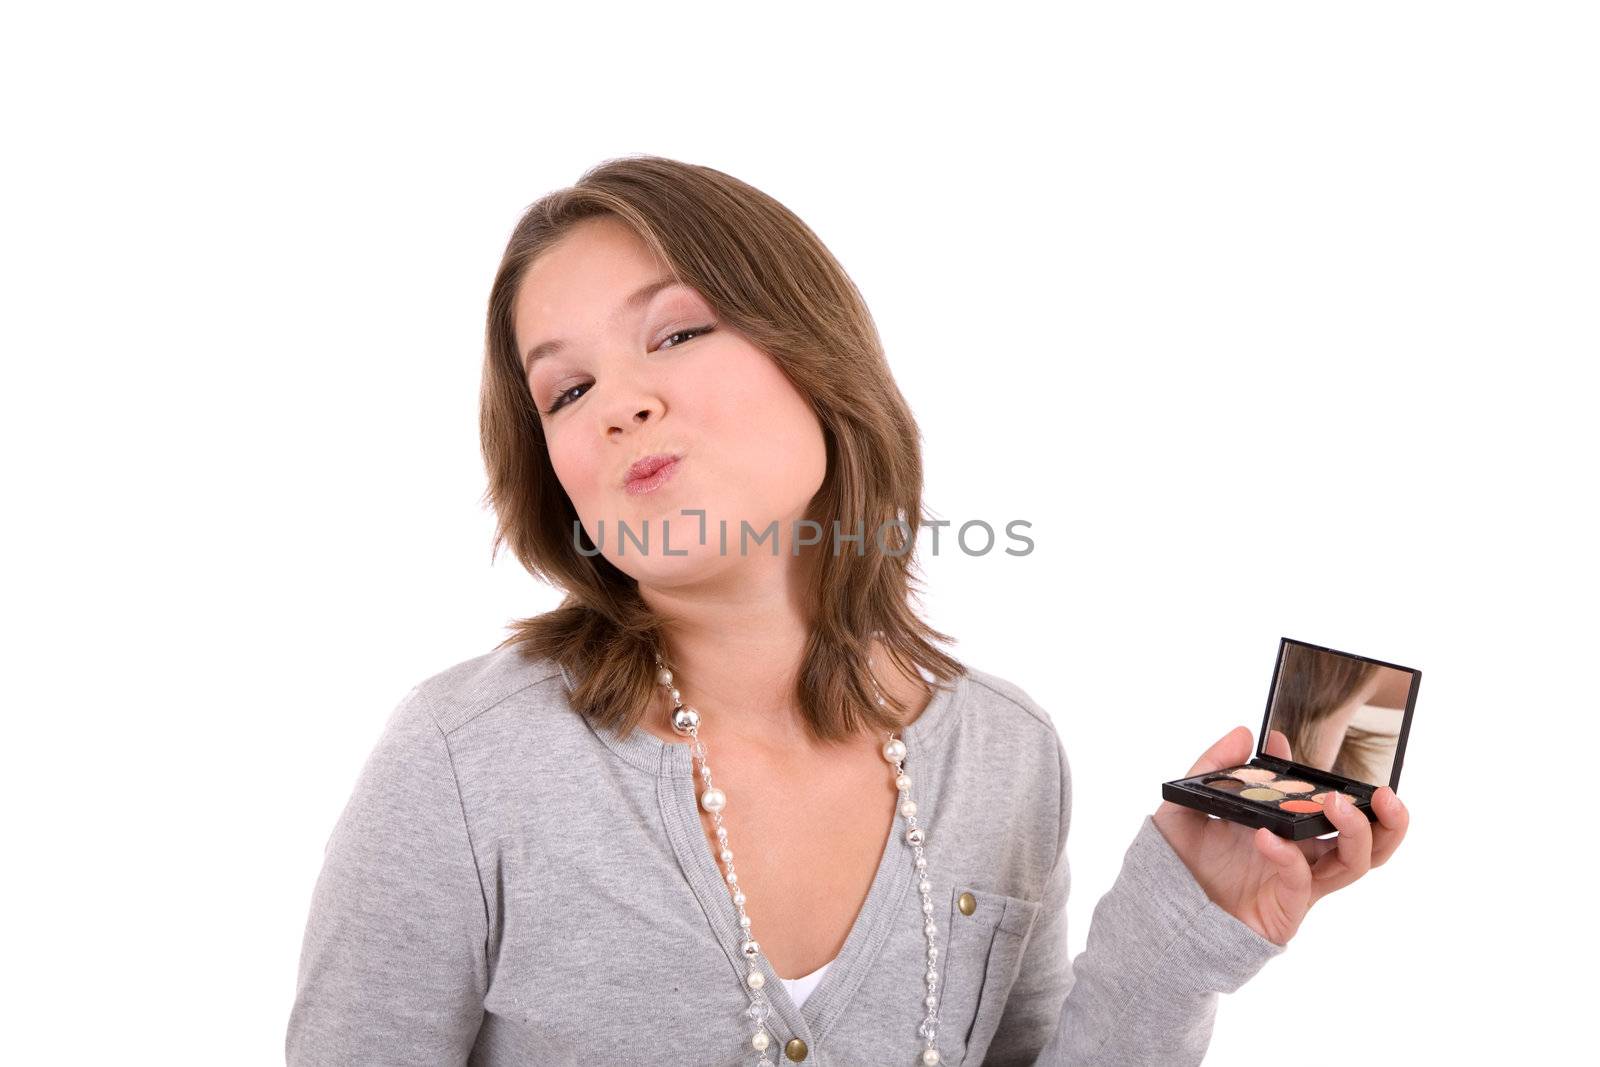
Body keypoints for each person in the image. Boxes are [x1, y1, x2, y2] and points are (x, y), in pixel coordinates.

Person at [285, 156, 1410, 1066]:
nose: (621, 401)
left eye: (676, 330)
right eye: (565, 391)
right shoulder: (465, 761)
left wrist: (1181, 932)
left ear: (815, 358)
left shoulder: (1006, 755)